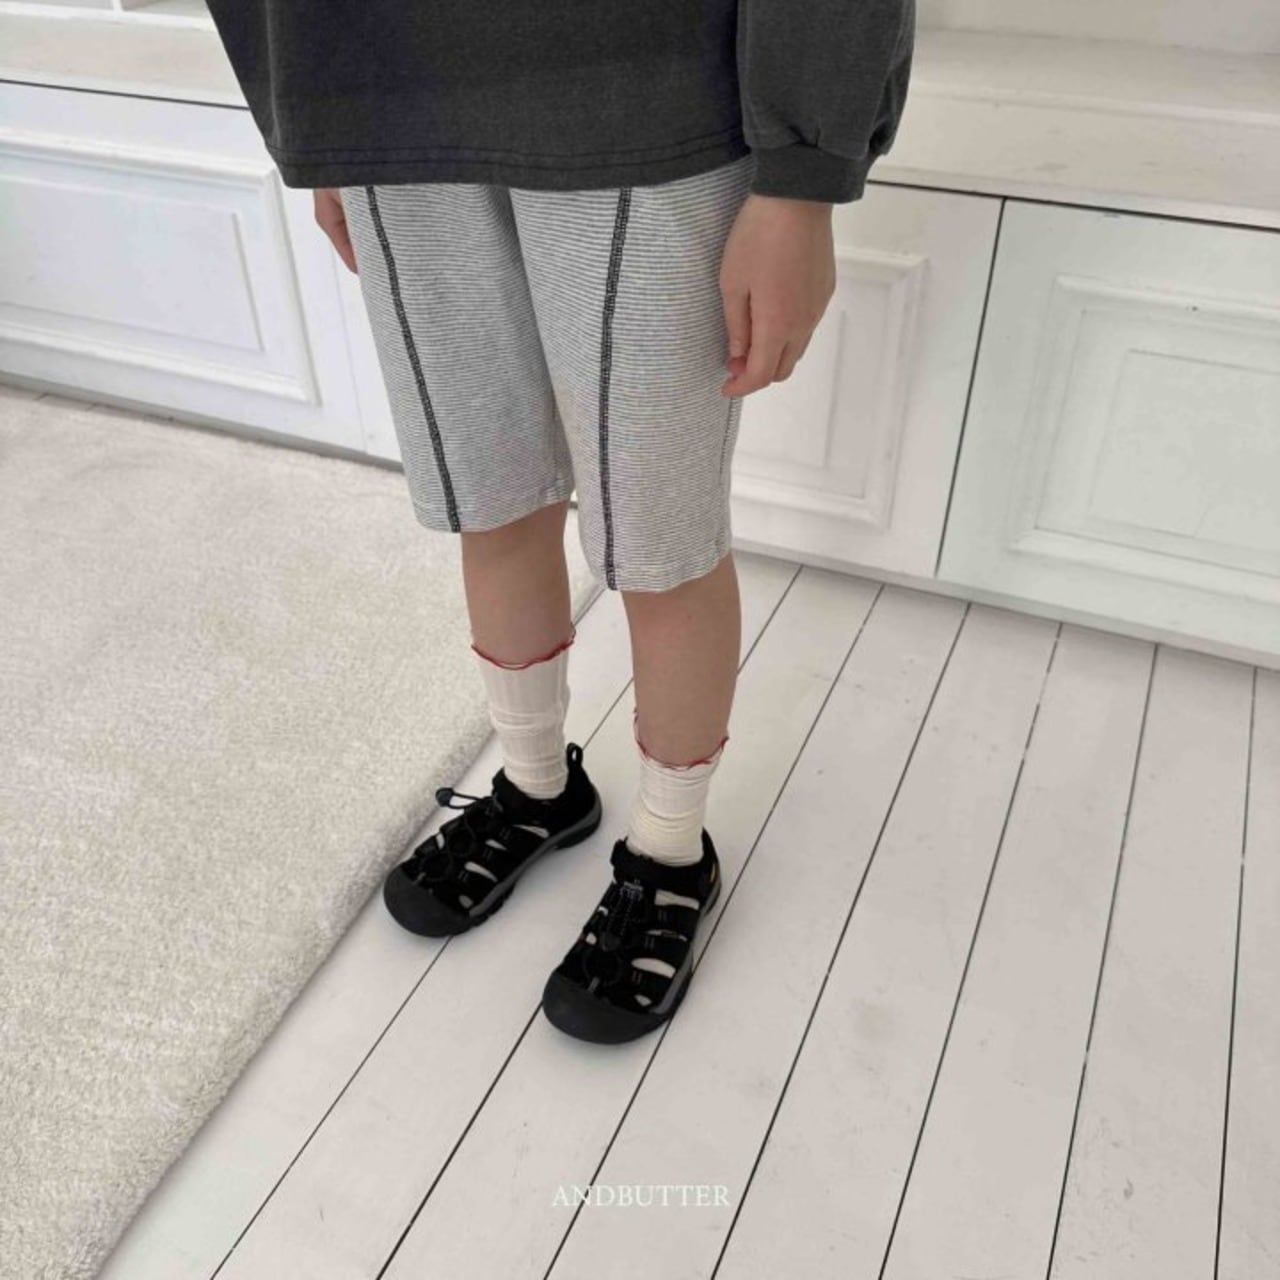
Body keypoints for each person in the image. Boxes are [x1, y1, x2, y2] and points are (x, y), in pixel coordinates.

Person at [205, 0, 916, 1045]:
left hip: (650, 97)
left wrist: (801, 180)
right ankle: (536, 785)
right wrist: (310, 115)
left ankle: (670, 852)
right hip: (384, 97)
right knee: (489, 496)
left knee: (659, 539)